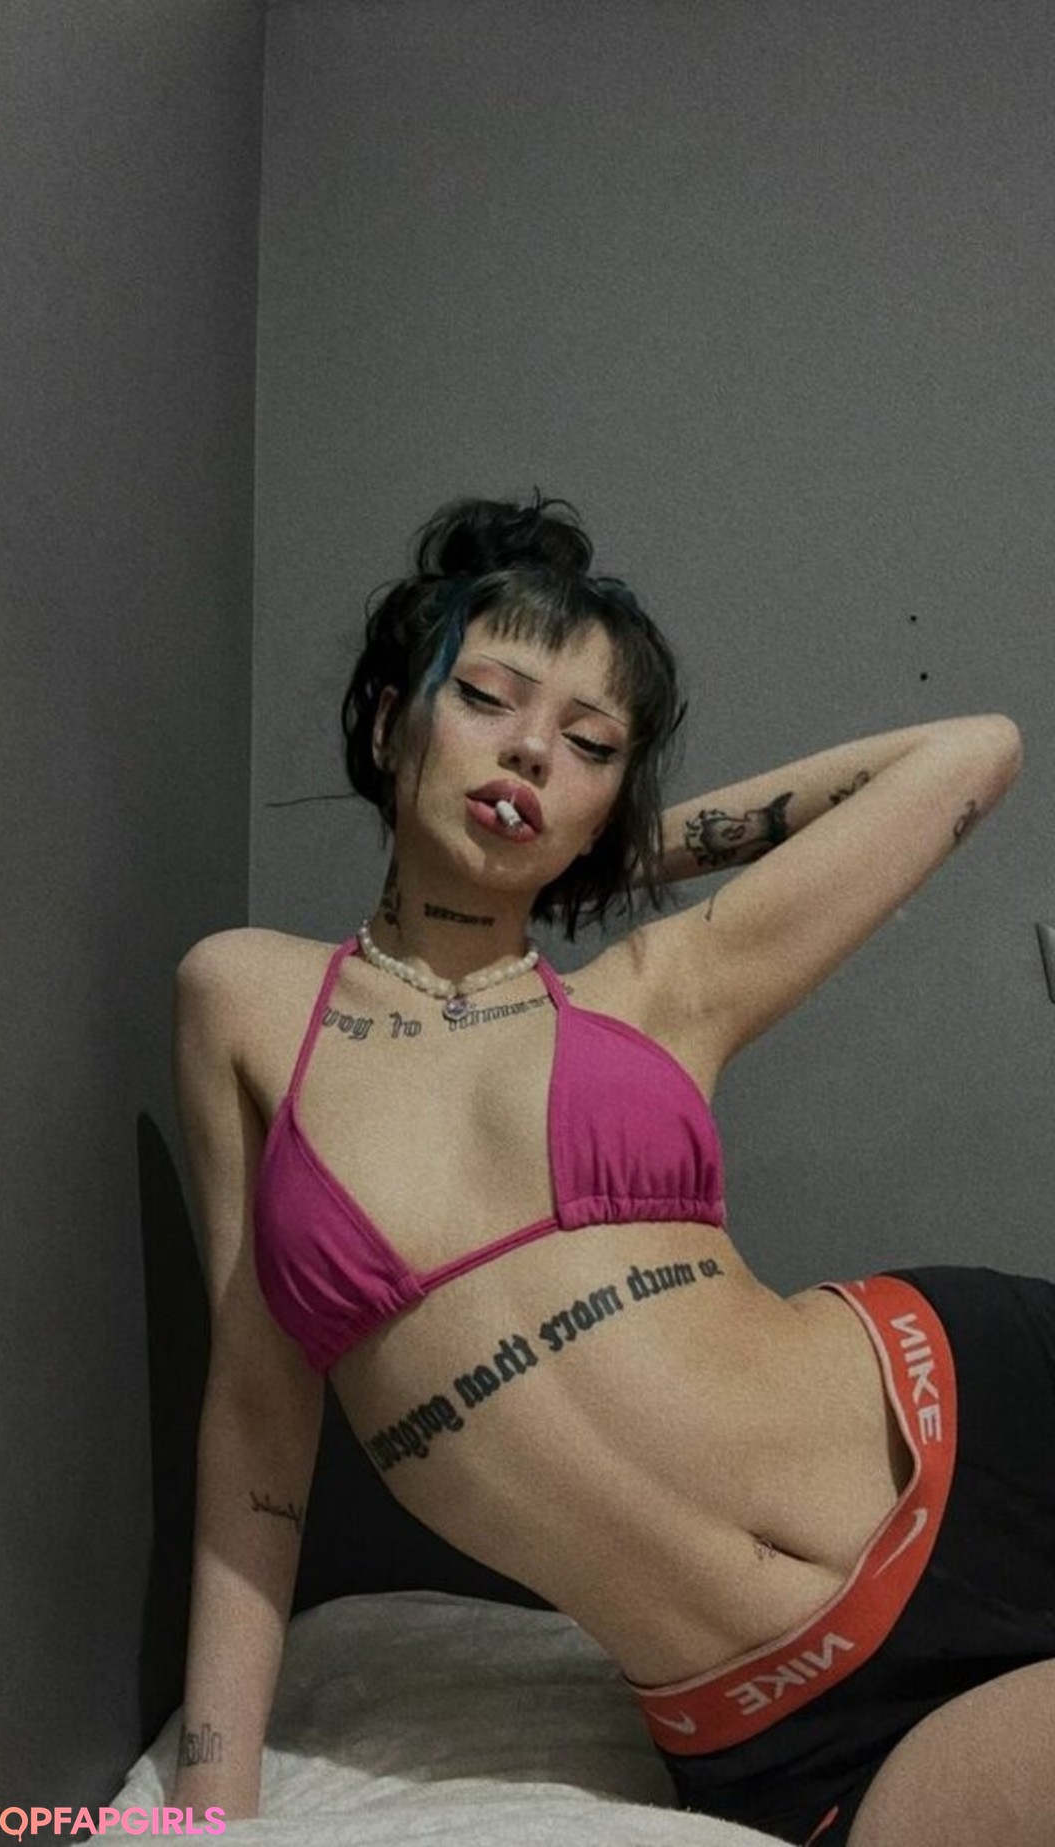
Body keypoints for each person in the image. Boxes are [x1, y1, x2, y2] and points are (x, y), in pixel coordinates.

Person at [169, 491, 1047, 1846]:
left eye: (589, 745)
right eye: (487, 698)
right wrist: (205, 1811)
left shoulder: (657, 988)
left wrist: (600, 857)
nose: (532, 747)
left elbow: (973, 752)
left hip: (983, 1424)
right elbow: (255, 1434)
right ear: (393, 720)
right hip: (787, 1716)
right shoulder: (245, 1000)